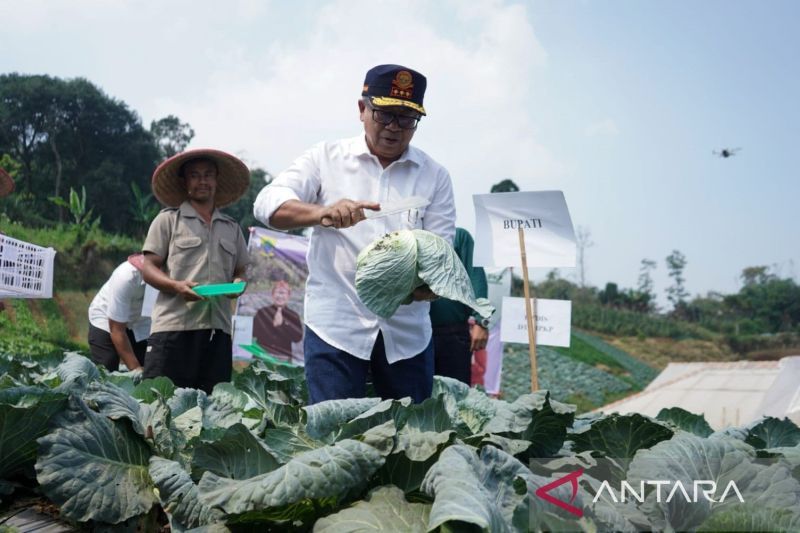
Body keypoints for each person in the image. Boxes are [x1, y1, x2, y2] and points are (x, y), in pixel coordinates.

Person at [253, 64, 456, 404]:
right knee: (334, 437)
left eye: (406, 119)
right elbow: (267, 204)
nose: (394, 128)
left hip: (406, 335)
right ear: (362, 110)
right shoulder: (325, 158)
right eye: (384, 115)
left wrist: (422, 288)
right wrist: (322, 213)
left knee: (413, 443)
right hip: (336, 326)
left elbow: (441, 254)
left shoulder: (435, 176)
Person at [141, 149, 250, 393]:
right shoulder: (168, 220)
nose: (203, 181)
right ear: (184, 182)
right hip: (173, 330)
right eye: (195, 175)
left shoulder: (231, 228)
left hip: (217, 333)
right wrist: (176, 287)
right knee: (157, 408)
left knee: (212, 414)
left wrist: (239, 284)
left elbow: (241, 269)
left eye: (208, 175)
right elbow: (148, 268)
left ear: (216, 180)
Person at [429, 228, 489, 385]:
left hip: (452, 334)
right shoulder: (405, 237)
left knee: (455, 398)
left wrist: (481, 320)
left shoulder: (459, 237)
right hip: (409, 333)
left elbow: (475, 276)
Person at [87, 254, 151, 373]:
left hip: (139, 323)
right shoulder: (126, 277)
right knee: (107, 367)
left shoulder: (167, 277)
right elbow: (117, 330)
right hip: (106, 320)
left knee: (151, 366)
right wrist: (136, 369)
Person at [252, 280, 303, 361]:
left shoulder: (293, 316)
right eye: (278, 292)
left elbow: (298, 338)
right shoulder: (262, 312)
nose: (280, 296)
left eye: (283, 293)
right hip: (262, 357)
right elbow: (253, 333)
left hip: (284, 360)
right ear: (272, 295)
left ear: (288, 296)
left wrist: (283, 324)